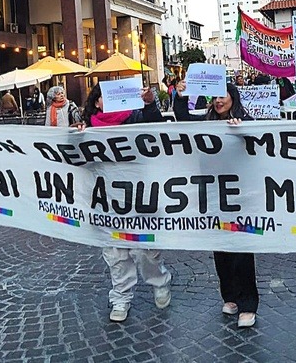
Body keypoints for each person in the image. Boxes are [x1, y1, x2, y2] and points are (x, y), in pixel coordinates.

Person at [173, 80, 259, 328]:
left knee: (242, 250)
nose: (219, 101)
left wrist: (242, 131)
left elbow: (259, 145)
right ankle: (229, 296)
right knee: (221, 249)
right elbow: (182, 119)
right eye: (215, 98)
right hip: (213, 194)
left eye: (223, 97)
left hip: (240, 195)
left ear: (233, 98)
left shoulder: (246, 121)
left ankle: (248, 304)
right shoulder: (206, 121)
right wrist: (180, 97)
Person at [81, 84, 171, 323]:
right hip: (107, 199)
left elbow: (155, 125)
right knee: (115, 252)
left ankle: (159, 282)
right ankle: (120, 297)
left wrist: (150, 103)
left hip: (140, 195)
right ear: (97, 102)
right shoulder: (88, 126)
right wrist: (76, 135)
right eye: (104, 97)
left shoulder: (136, 116)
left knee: (146, 249)